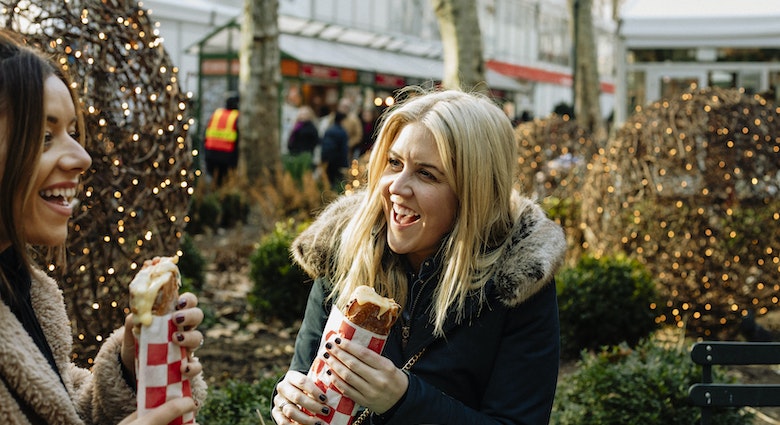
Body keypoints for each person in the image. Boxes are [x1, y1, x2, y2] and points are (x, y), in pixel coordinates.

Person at [272, 88, 566, 424]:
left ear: (474, 193)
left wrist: (404, 400)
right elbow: (305, 376)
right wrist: (288, 400)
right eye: (394, 163)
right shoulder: (344, 250)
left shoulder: (517, 284)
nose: (396, 186)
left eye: (427, 174)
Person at [0, 29, 206, 424]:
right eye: (44, 136)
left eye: (73, 133)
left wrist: (130, 371)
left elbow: (55, 408)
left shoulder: (24, 287)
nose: (82, 157)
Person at [203, 94, 239, 186]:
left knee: (214, 180)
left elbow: (205, 133)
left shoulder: (217, 114)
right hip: (227, 155)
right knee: (225, 181)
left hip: (210, 153)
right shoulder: (236, 116)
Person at [319, 98, 362, 162]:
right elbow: (327, 129)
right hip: (332, 148)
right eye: (342, 106)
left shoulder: (354, 119)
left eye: (346, 107)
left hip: (346, 150)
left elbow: (358, 135)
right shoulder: (332, 117)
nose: (344, 108)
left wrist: (348, 144)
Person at [320, 111, 349, 190]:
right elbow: (344, 149)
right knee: (339, 181)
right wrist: (345, 164)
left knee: (329, 180)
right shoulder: (342, 132)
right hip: (338, 160)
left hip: (329, 160)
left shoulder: (329, 130)